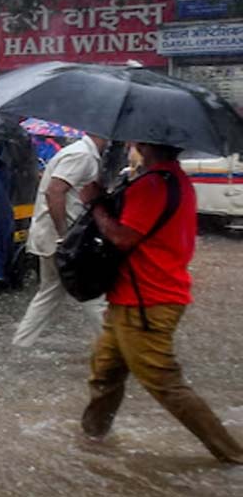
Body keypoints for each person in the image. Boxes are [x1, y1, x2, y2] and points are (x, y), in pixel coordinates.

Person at [78, 142, 243, 464]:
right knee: (105, 373)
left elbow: (123, 237)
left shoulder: (153, 185)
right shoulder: (172, 178)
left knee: (165, 383)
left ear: (143, 145)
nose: (129, 148)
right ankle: (92, 439)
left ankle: (233, 456)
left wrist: (96, 204)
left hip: (146, 303)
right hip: (134, 298)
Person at [12, 132, 109, 348]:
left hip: (54, 237)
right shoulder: (82, 155)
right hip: (64, 239)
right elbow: (54, 191)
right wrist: (64, 235)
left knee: (49, 293)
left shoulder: (81, 153)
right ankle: (117, 351)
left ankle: (21, 344)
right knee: (93, 294)